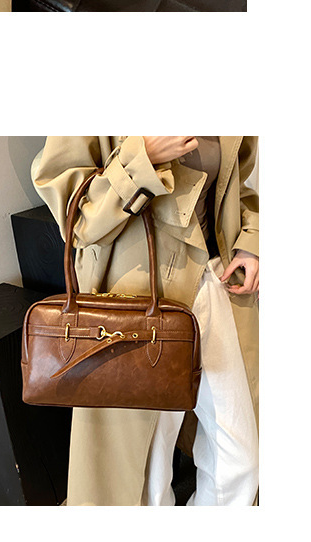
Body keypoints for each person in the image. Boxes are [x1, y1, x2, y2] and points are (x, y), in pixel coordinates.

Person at [31, 135, 259, 506]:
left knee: (240, 457)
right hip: (135, 295)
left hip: (216, 279)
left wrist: (252, 240)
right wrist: (144, 156)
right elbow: (78, 218)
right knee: (144, 470)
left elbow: (237, 185)